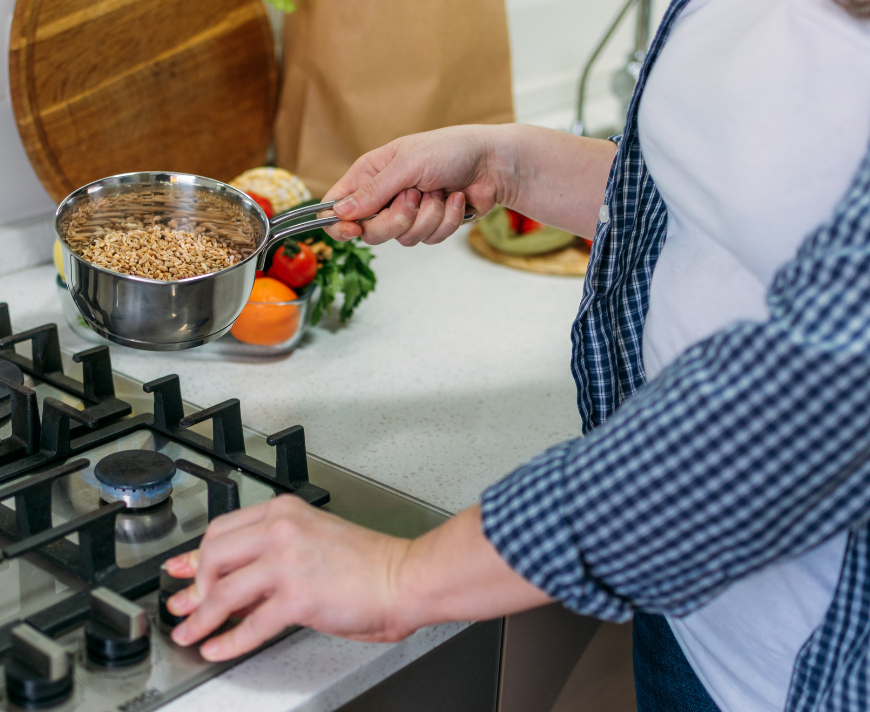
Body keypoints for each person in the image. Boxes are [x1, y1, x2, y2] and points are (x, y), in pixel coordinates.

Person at [163, 0, 870, 708]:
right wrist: (509, 166)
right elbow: (710, 206)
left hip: (808, 670)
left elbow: (793, 409)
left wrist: (398, 577)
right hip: (692, 609)